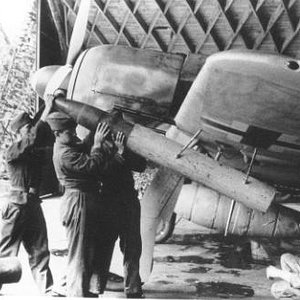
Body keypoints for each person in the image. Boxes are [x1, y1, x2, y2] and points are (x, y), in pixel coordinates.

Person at [47, 109, 116, 297]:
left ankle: (82, 291)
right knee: (80, 256)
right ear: (57, 133)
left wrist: (97, 129)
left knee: (87, 252)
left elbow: (83, 145)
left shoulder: (68, 145)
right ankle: (77, 294)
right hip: (78, 202)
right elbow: (92, 165)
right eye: (70, 131)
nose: (75, 134)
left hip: (84, 200)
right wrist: (98, 144)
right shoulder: (64, 154)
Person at [0, 103, 54, 294]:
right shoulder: (14, 150)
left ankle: (47, 291)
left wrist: (48, 105)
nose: (31, 130)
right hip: (15, 205)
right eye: (27, 128)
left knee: (40, 249)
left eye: (32, 126)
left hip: (31, 205)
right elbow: (34, 137)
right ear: (18, 133)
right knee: (5, 252)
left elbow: (41, 139)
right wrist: (47, 110)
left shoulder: (32, 152)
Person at [98, 131, 146, 298]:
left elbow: (141, 165)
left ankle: (133, 289)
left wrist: (124, 151)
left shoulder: (125, 144)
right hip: (109, 202)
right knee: (103, 246)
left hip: (127, 201)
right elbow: (101, 171)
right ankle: (95, 287)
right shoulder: (97, 144)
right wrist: (118, 154)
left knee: (132, 247)